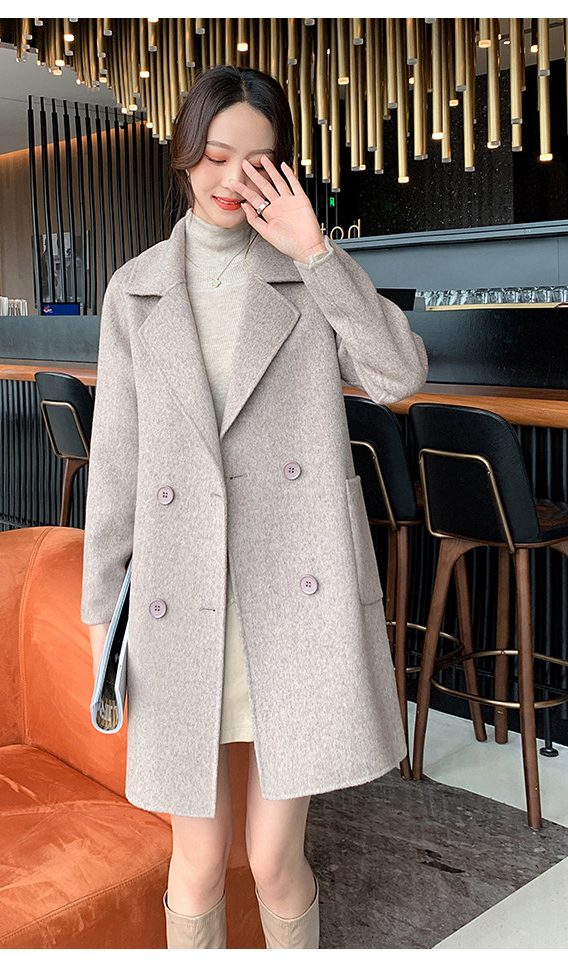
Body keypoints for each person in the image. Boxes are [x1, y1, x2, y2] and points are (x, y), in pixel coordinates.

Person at [80, 64, 428, 949]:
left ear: (283, 168)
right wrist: (101, 621)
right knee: (198, 861)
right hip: (179, 608)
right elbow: (114, 468)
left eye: (258, 160)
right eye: (215, 154)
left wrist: (317, 252)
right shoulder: (134, 290)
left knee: (274, 858)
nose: (233, 178)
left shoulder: (307, 278)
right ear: (184, 154)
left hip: (291, 604)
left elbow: (399, 376)